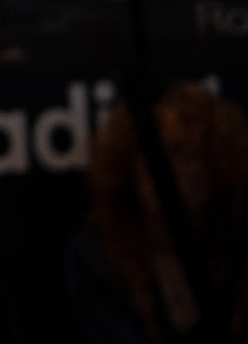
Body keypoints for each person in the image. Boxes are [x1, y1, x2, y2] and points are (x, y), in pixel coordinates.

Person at [67, 81, 248, 343]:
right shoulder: (95, 257)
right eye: (149, 153)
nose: (161, 171)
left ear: (216, 166)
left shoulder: (236, 249)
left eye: (183, 155)